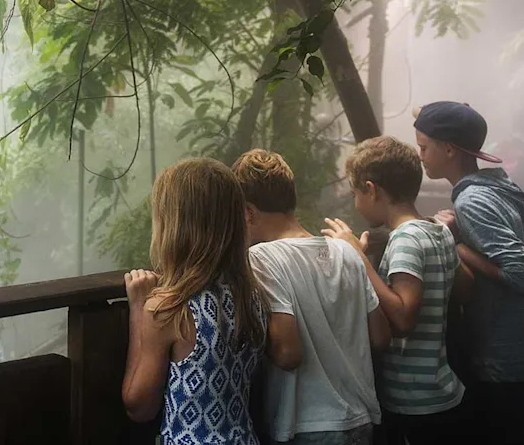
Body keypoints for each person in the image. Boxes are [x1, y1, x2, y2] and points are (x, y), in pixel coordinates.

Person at [413, 101, 524, 445]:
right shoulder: (488, 189)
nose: (421, 156)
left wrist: (455, 243)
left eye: (424, 148)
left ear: (449, 149)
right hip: (517, 346)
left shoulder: (473, 201)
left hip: (503, 355)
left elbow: (521, 275)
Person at [231, 149, 389, 445]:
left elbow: (288, 354)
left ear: (248, 212)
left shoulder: (262, 258)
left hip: (308, 426)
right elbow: (380, 336)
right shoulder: (346, 251)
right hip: (361, 420)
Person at [323, 136, 469, 444]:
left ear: (371, 189)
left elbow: (403, 319)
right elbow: (466, 288)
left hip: (414, 399)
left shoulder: (405, 239)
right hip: (441, 387)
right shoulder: (437, 231)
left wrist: (357, 256)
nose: (355, 203)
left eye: (355, 193)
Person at [121, 157, 267, 444]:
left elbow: (138, 406)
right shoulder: (251, 297)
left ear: (174, 227)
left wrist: (138, 308)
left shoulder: (169, 309)